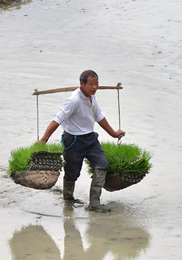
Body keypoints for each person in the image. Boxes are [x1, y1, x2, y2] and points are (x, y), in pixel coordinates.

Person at [38, 70, 125, 212]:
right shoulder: (74, 100)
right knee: (72, 173)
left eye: (97, 84)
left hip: (90, 139)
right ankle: (68, 199)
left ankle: (94, 204)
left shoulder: (91, 97)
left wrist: (114, 134)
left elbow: (99, 116)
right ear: (82, 84)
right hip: (73, 141)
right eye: (91, 84)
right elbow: (58, 119)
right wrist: (44, 139)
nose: (95, 87)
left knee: (102, 165)